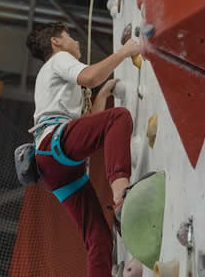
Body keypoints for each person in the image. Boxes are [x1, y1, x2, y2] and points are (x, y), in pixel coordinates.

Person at [26, 21, 140, 277]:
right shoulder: (59, 60)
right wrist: (124, 52)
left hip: (55, 166)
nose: (76, 42)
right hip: (55, 147)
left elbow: (87, 128)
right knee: (118, 118)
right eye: (69, 36)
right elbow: (90, 76)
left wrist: (102, 95)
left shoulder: (51, 78)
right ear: (56, 42)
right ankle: (121, 196)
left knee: (98, 238)